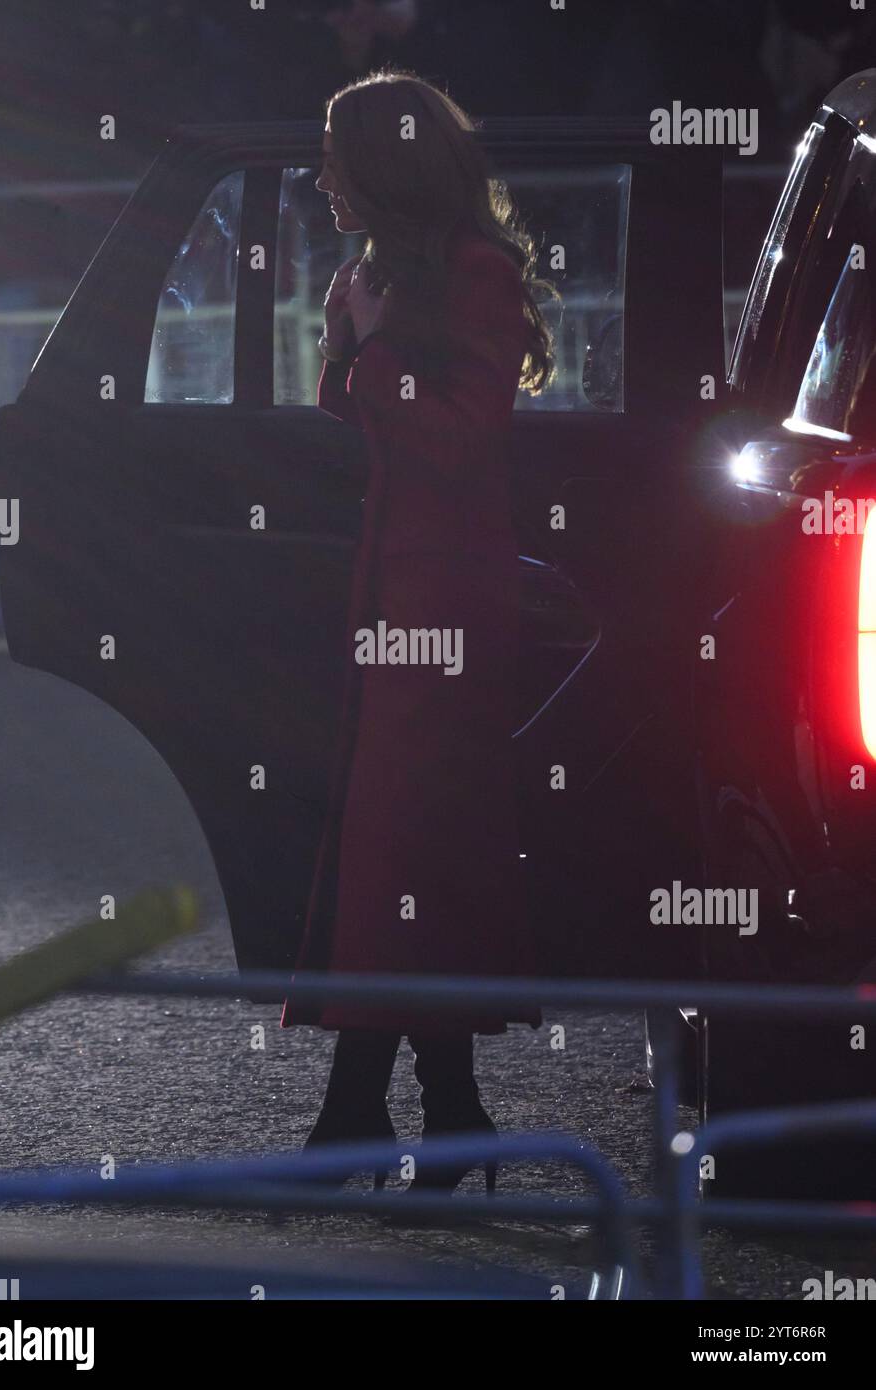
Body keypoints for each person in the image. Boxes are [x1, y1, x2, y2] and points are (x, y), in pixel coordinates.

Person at [280, 70, 552, 1194]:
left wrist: (376, 351)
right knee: (406, 858)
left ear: (383, 168)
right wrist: (354, 345)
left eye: (336, 156)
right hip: (400, 598)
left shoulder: (474, 274)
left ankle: (374, 1116)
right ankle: (441, 1114)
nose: (322, 176)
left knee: (401, 851)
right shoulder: (391, 272)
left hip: (446, 609)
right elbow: (360, 418)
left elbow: (461, 430)